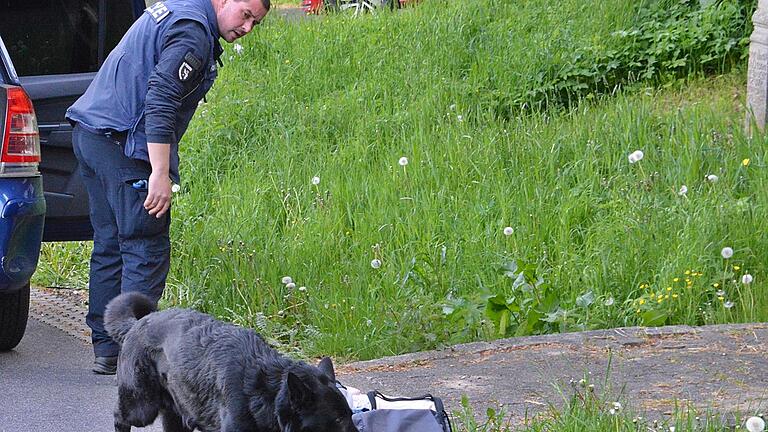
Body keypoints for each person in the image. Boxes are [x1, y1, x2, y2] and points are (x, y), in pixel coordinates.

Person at [65, 0, 269, 374]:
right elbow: (160, 96)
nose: (248, 28)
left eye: (256, 22)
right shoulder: (193, 32)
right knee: (145, 244)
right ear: (223, 1)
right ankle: (136, 358)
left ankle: (108, 351)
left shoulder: (176, 9)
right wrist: (160, 171)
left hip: (91, 133)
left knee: (110, 243)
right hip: (124, 143)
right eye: (246, 15)